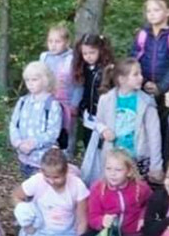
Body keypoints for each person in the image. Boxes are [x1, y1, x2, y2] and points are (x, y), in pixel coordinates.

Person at [77, 150, 159, 236]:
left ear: (129, 171)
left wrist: (143, 217)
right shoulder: (98, 188)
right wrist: (102, 221)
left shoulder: (140, 187)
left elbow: (151, 203)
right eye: (108, 169)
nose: (112, 174)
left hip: (132, 234)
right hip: (107, 235)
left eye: (118, 170)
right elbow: (92, 216)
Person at [12, 147, 89, 236]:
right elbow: (15, 195)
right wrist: (24, 212)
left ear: (66, 172)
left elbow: (82, 220)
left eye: (56, 177)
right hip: (42, 229)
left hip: (66, 231)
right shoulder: (37, 181)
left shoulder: (77, 185)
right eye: (47, 176)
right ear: (42, 171)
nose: (52, 181)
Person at [94, 58, 164, 182]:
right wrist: (104, 130)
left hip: (138, 158)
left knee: (137, 193)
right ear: (122, 79)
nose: (141, 77)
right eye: (135, 74)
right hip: (113, 158)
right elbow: (98, 122)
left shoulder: (146, 102)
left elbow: (154, 135)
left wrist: (156, 165)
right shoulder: (106, 100)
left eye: (140, 73)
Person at [9, 60, 64, 178]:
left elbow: (53, 132)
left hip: (44, 161)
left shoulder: (52, 104)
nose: (30, 84)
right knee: (28, 190)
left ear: (45, 80)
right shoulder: (23, 101)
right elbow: (14, 124)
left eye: (34, 80)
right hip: (24, 158)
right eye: (27, 80)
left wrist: (34, 143)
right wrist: (18, 142)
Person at [70, 33, 115, 151]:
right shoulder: (83, 68)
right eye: (85, 53)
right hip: (88, 113)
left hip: (103, 115)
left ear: (101, 50)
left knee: (102, 146)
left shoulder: (108, 69)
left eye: (92, 53)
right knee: (88, 142)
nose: (88, 57)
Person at [40, 23, 76, 154]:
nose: (53, 45)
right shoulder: (44, 57)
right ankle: (46, 155)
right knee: (47, 127)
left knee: (64, 131)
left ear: (66, 42)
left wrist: (75, 104)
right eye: (50, 41)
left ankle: (65, 157)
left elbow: (78, 84)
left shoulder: (71, 59)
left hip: (65, 103)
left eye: (57, 41)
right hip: (46, 101)